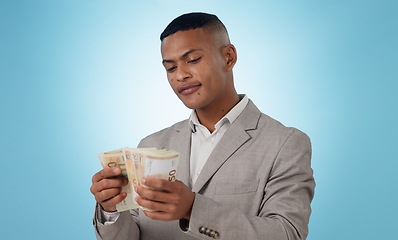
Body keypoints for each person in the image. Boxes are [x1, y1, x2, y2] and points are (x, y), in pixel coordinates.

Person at [90, 12, 315, 240]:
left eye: (193, 60)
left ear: (229, 57)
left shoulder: (285, 144)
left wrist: (193, 209)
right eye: (170, 68)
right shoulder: (151, 145)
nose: (181, 75)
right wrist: (111, 210)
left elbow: (287, 234)